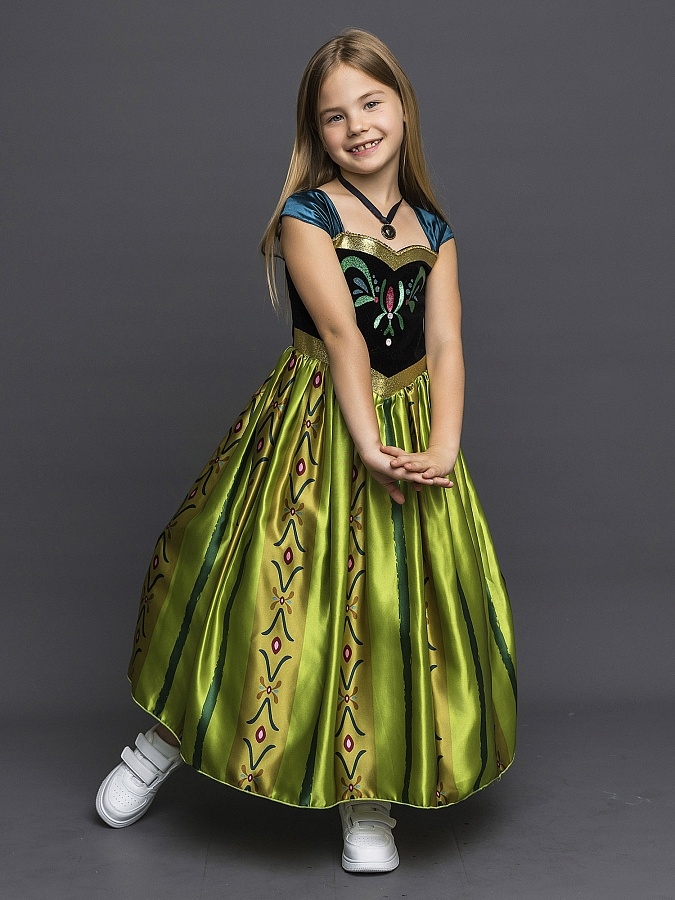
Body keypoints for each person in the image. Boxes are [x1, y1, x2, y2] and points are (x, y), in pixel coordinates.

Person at [96, 28, 517, 874]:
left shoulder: (435, 230)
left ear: (402, 107)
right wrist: (365, 442)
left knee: (391, 611)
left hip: (410, 433)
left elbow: (445, 345)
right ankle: (164, 743)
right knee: (258, 597)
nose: (357, 126)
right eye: (334, 116)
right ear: (315, 132)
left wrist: (441, 444)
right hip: (318, 426)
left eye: (371, 103)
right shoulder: (306, 216)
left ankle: (368, 801)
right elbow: (343, 335)